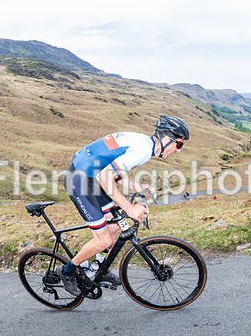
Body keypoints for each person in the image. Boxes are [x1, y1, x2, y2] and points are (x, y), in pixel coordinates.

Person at [60, 115, 189, 295]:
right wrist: (129, 208)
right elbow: (106, 177)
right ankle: (67, 271)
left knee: (114, 228)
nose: (179, 150)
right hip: (79, 180)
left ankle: (97, 267)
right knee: (104, 239)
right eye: (179, 144)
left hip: (93, 177)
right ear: (167, 139)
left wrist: (137, 187)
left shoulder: (145, 144)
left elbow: (113, 168)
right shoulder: (143, 150)